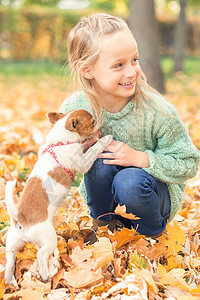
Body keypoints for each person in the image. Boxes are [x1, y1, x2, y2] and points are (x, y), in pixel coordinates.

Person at [60, 13, 200, 237]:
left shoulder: (158, 111)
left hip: (151, 200)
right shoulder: (76, 108)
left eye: (134, 60)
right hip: (106, 202)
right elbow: (60, 161)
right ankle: (105, 231)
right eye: (118, 65)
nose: (131, 71)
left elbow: (189, 163)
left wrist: (141, 159)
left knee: (128, 180)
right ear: (87, 70)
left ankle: (153, 237)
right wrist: (79, 149)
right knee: (98, 160)